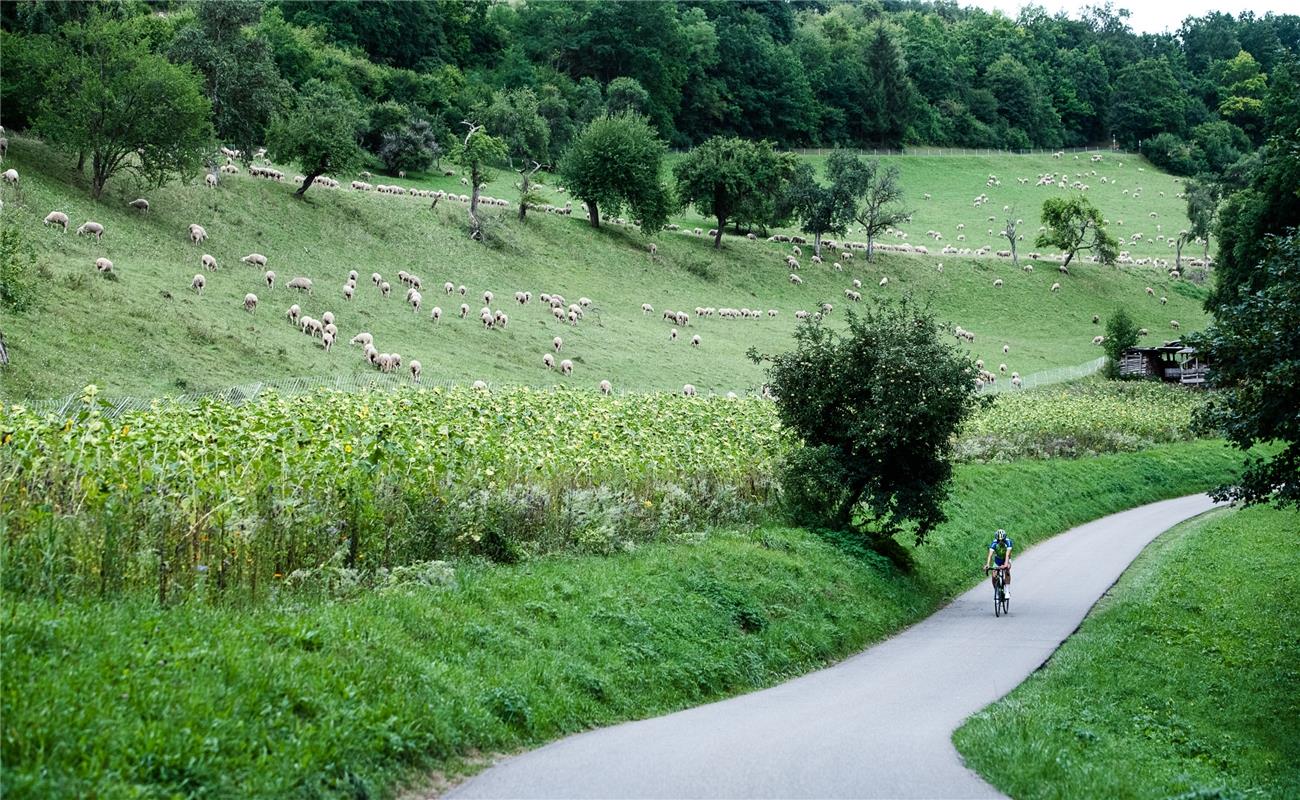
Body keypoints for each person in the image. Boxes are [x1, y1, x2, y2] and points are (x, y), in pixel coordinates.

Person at [984, 529, 1013, 598]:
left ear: (1005, 538)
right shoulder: (994, 543)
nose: (1000, 542)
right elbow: (990, 555)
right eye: (999, 540)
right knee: (994, 576)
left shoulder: (1008, 542)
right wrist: (988, 564)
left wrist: (1006, 565)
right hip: (998, 560)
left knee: (1007, 570)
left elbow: (1007, 554)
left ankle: (1007, 591)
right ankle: (996, 591)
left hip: (1006, 559)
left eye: (1002, 540)